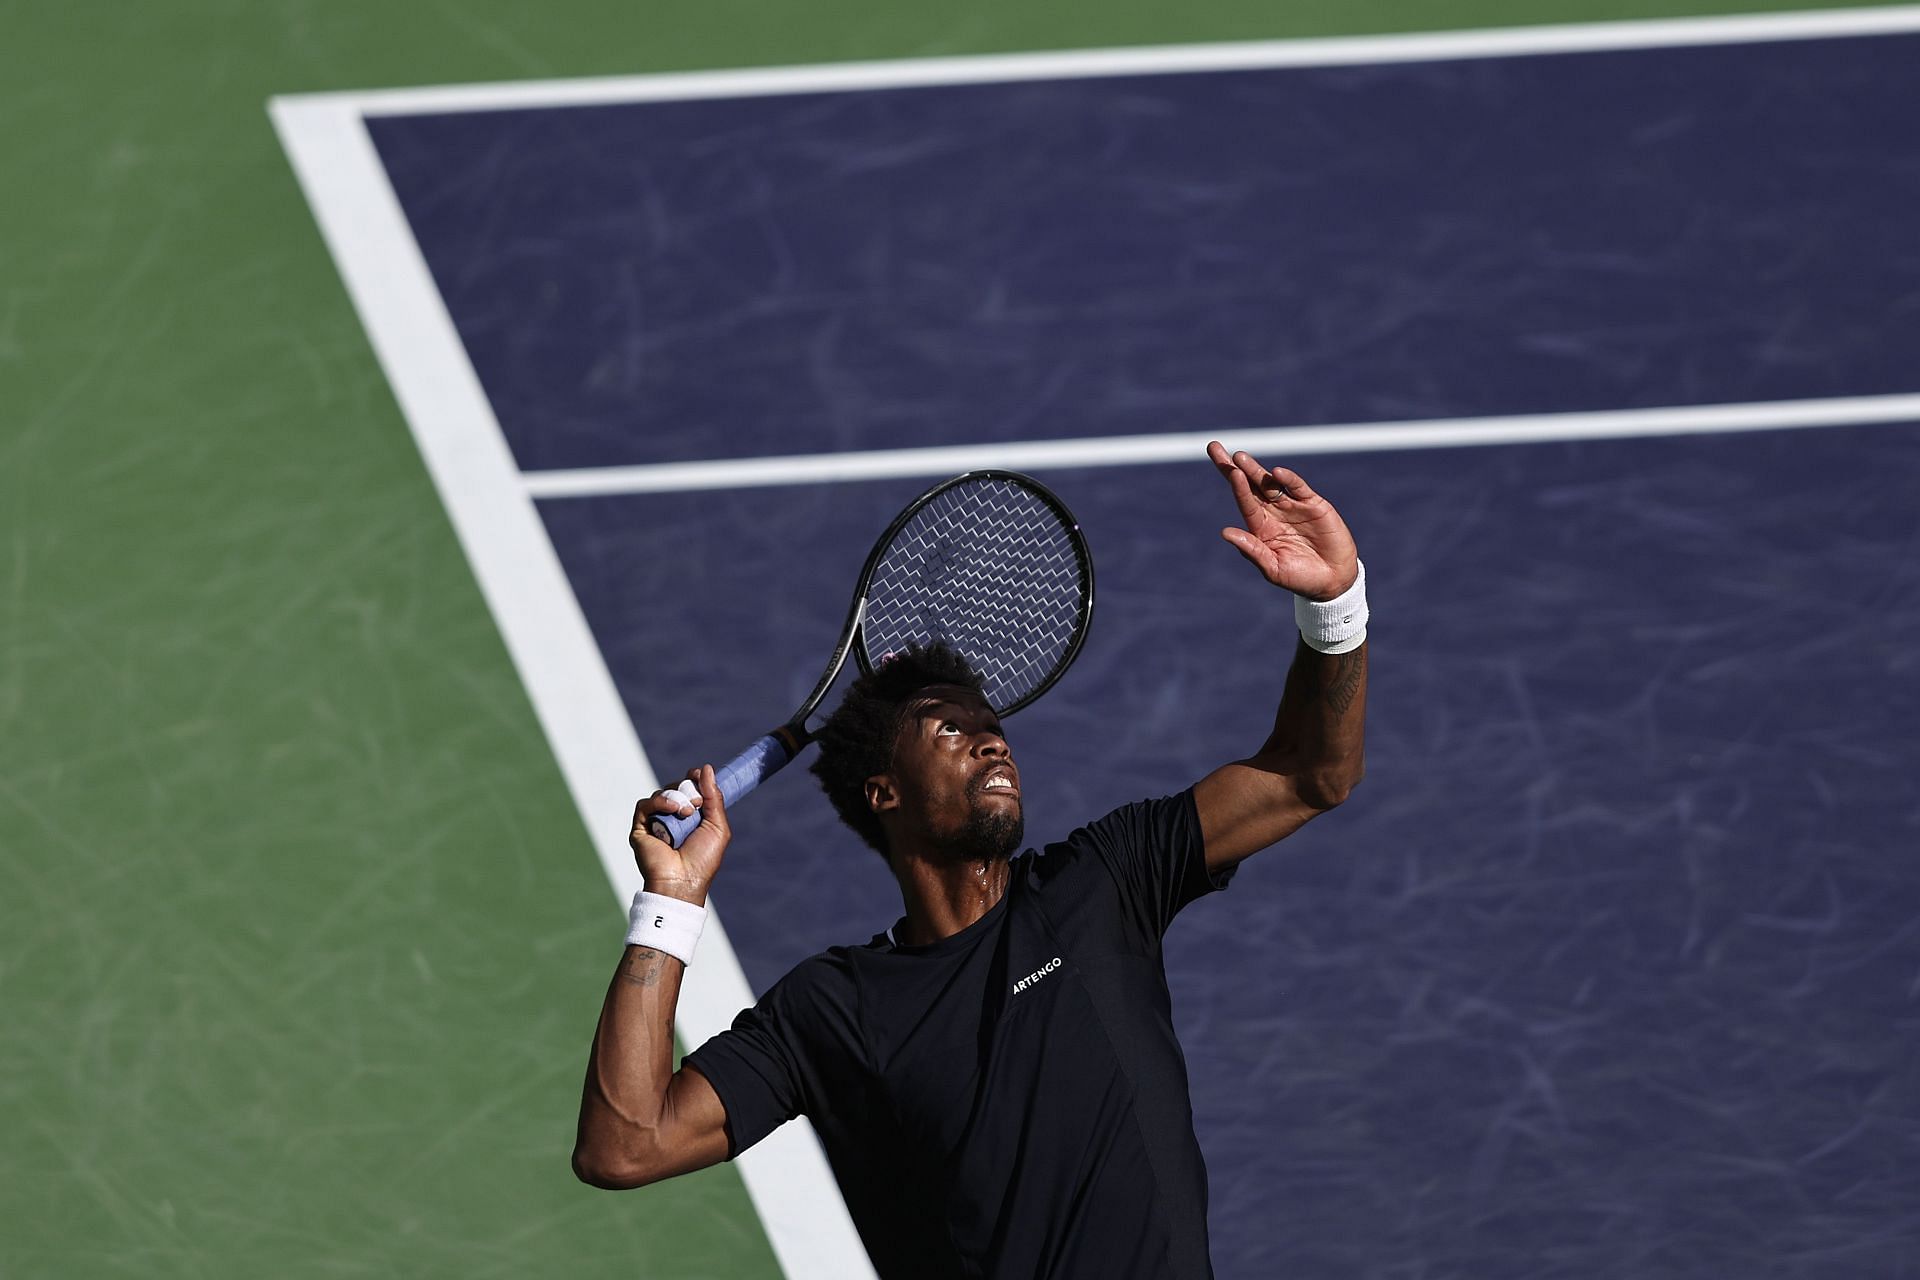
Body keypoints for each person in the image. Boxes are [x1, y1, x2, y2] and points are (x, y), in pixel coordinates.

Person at [572, 442, 1369, 1279]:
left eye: (991, 725)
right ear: (883, 792)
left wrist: (1336, 609)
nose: (991, 738)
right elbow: (624, 1146)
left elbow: (1311, 777)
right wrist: (671, 907)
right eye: (948, 727)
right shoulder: (836, 1009)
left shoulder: (1103, 884)